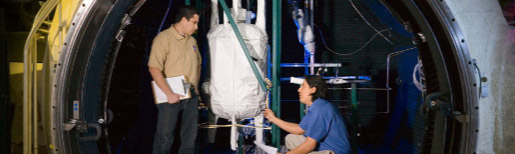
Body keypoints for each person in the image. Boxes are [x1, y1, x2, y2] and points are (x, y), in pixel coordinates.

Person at [148, 6, 201, 154]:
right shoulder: (163, 39)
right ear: (184, 20)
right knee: (164, 137)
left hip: (190, 94)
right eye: (194, 23)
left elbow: (197, 63)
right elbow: (154, 68)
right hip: (170, 94)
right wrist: (169, 94)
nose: (196, 27)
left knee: (189, 138)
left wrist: (195, 87)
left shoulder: (192, 41)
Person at [263, 75, 351, 154]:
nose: (299, 90)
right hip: (325, 146)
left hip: (336, 152)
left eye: (303, 86)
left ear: (313, 90)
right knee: (291, 139)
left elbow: (310, 145)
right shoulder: (316, 106)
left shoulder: (320, 109)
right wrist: (273, 118)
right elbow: (299, 129)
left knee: (303, 148)